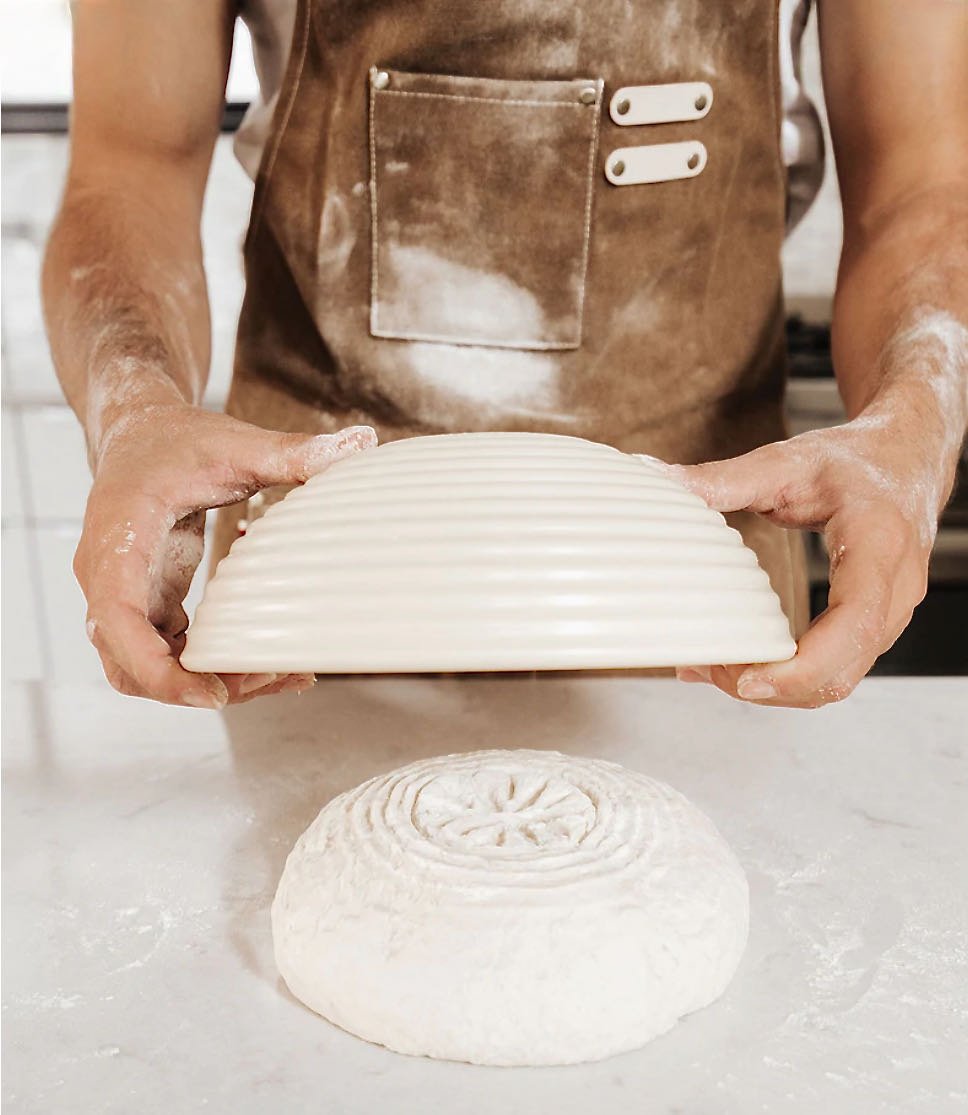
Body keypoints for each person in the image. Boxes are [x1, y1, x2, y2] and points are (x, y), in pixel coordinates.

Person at [43, 0, 967, 710]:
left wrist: (909, 426)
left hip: (694, 589)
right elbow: (131, 167)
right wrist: (138, 407)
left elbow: (920, 185)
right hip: (319, 585)